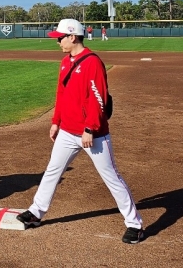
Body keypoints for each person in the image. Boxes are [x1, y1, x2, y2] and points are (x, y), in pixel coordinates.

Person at [16, 18, 143, 244]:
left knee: (111, 177)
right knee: (52, 171)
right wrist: (56, 121)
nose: (58, 42)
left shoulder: (93, 62)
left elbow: (98, 99)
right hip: (67, 131)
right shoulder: (66, 61)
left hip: (92, 134)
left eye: (60, 38)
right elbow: (61, 95)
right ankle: (36, 212)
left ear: (72, 36)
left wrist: (89, 129)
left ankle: (134, 224)